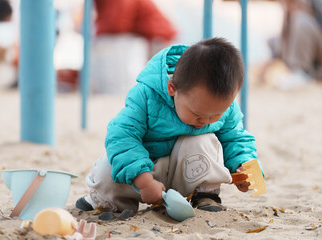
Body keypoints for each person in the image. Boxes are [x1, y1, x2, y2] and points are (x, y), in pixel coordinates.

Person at [76, 38, 261, 214]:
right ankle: (109, 202)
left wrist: (244, 165)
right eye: (197, 114)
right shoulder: (146, 95)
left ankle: (205, 194)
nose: (206, 120)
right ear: (172, 88)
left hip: (188, 172)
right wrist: (144, 181)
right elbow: (121, 136)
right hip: (144, 169)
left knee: (205, 139)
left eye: (217, 114)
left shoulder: (223, 106)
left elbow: (235, 137)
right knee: (108, 168)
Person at [260, 0, 322, 89]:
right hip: (305, 43)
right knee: (273, 41)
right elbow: (285, 33)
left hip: (320, 38)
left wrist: (308, 11)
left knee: (302, 21)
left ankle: (301, 72)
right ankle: (311, 72)